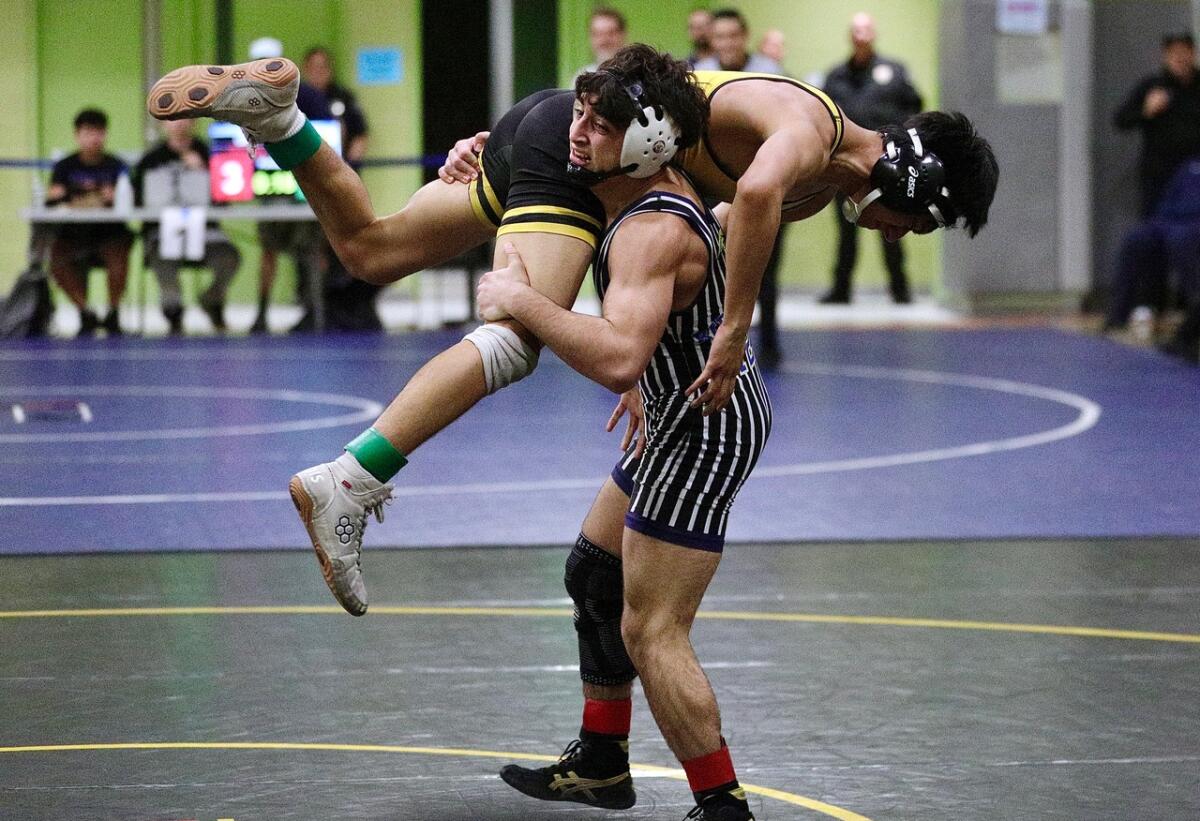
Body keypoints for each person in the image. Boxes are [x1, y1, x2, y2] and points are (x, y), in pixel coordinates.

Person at [147, 45, 998, 619]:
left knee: (370, 249)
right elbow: (751, 203)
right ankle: (346, 479)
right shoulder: (810, 136)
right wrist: (734, 332)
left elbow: (671, 234)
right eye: (916, 225)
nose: (900, 235)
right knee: (517, 331)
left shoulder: (812, 177)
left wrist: (642, 354)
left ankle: (278, 122)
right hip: (578, 149)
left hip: (570, 144)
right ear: (916, 184)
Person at [474, 54, 768, 821]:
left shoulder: (650, 229)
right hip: (679, 404)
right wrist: (478, 153)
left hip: (702, 426)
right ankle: (602, 762)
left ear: (646, 142)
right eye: (579, 113)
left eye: (600, 126)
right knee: (595, 574)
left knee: (652, 628)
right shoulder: (636, 187)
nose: (577, 133)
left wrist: (519, 299)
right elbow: (646, 334)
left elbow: (613, 355)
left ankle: (723, 805)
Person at [694, 8, 787, 365]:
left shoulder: (771, 73)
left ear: (744, 36)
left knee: (765, 267)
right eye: (720, 37)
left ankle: (769, 344)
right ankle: (710, 341)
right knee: (711, 266)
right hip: (714, 187)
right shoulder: (699, 75)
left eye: (733, 35)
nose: (727, 43)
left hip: (766, 185)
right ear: (711, 40)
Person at [821, 12, 924, 305]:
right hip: (846, 166)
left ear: (873, 34)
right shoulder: (835, 76)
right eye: (856, 30)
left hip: (890, 166)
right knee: (846, 230)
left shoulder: (895, 71)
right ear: (850, 36)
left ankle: (900, 290)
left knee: (892, 226)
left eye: (866, 29)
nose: (861, 35)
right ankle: (840, 291)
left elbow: (916, 107)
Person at [247, 37, 328, 334]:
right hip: (270, 189)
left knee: (311, 249)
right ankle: (261, 312)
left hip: (303, 186)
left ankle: (315, 310)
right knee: (269, 250)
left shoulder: (307, 95)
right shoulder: (241, 98)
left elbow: (327, 137)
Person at [133, 119, 241, 333]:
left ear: (194, 122)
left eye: (184, 118)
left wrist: (203, 169)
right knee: (161, 255)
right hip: (162, 233)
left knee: (230, 257)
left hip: (206, 233)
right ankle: (173, 310)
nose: (179, 124)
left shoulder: (209, 154)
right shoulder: (151, 159)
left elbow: (225, 198)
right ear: (163, 124)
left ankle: (212, 300)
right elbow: (137, 201)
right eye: (172, 120)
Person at [44, 108, 133, 336]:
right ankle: (85, 312)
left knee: (119, 255)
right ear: (77, 134)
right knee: (55, 258)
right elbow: (52, 199)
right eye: (87, 132)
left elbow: (127, 200)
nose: (93, 138)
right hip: (72, 235)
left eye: (98, 132)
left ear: (105, 134)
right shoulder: (64, 166)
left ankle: (113, 312)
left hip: (109, 234)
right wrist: (94, 198)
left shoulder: (117, 166)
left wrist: (75, 197)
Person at [1104, 158, 1200, 334]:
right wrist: (1161, 219)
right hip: (1169, 221)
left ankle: (1194, 313)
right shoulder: (1189, 167)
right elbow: (1168, 199)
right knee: (1135, 239)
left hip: (1193, 224)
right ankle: (1118, 315)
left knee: (1181, 240)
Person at [1115, 33, 1200, 217]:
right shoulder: (1152, 87)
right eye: (1173, 53)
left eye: (1184, 52)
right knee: (1155, 226)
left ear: (1193, 54)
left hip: (1195, 172)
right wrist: (1146, 111)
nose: (1179, 58)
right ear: (1166, 56)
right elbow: (1121, 120)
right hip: (1160, 175)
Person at [576, 7, 628, 78]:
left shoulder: (638, 76)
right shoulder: (581, 76)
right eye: (598, 34)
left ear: (622, 34)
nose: (604, 40)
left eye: (610, 33)